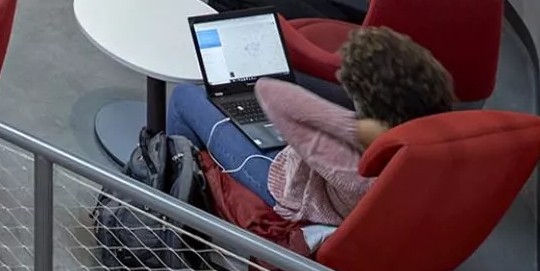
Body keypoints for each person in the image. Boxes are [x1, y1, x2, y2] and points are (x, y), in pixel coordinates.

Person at [167, 26, 454, 223]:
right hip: (325, 182)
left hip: (287, 190)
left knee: (185, 94)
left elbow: (269, 91)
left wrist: (356, 128)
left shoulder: (352, 166)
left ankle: (170, 208)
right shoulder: (429, 139)